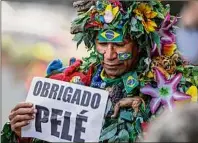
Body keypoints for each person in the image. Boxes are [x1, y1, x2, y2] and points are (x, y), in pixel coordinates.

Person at [1, 0, 198, 143]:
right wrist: (22, 132)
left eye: (120, 44)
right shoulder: (70, 79)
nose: (109, 55)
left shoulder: (170, 89)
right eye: (102, 43)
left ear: (140, 45)